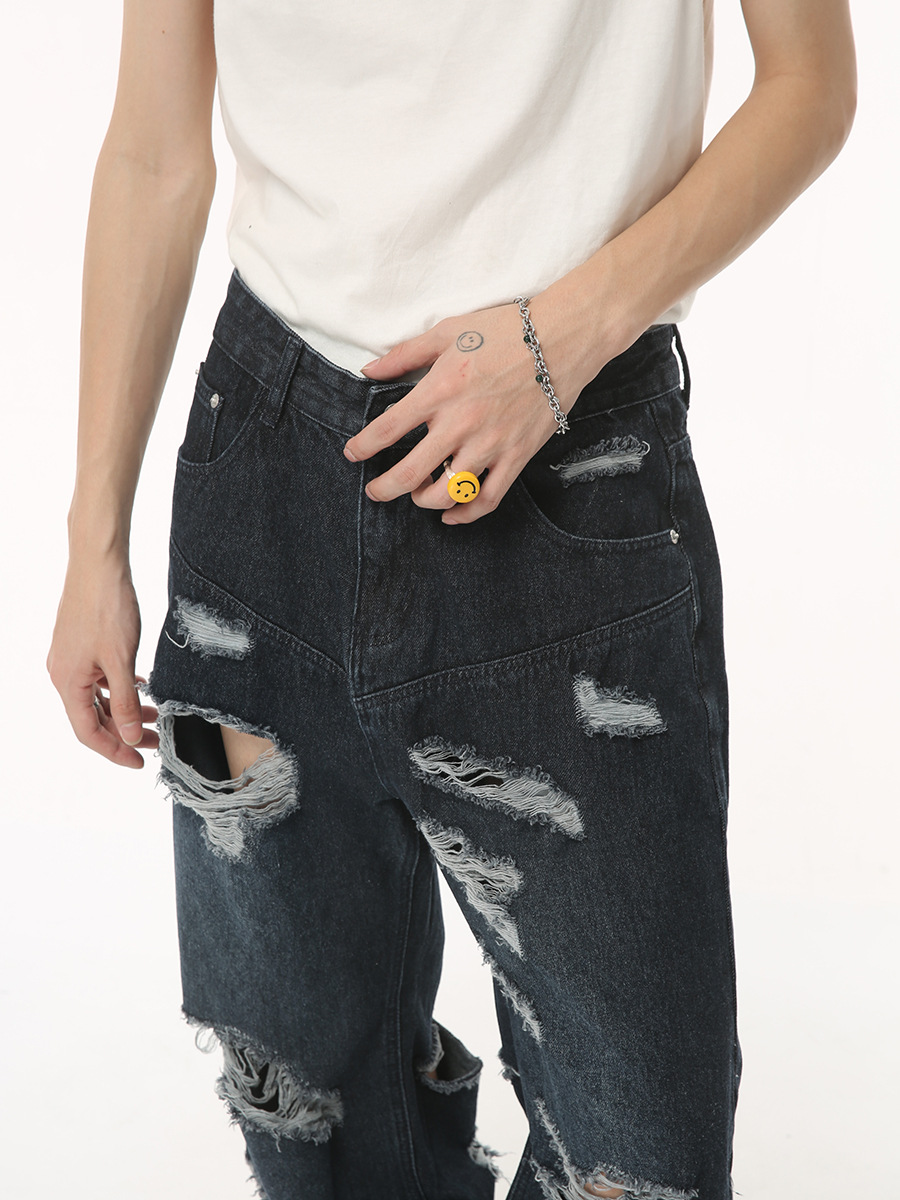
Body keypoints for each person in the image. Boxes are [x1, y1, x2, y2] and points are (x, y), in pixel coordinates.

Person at [47, 2, 856, 1197]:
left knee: (641, 1155)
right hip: (262, 487)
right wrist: (93, 539)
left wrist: (563, 340)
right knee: (313, 1119)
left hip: (569, 477)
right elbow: (154, 151)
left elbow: (810, 88)